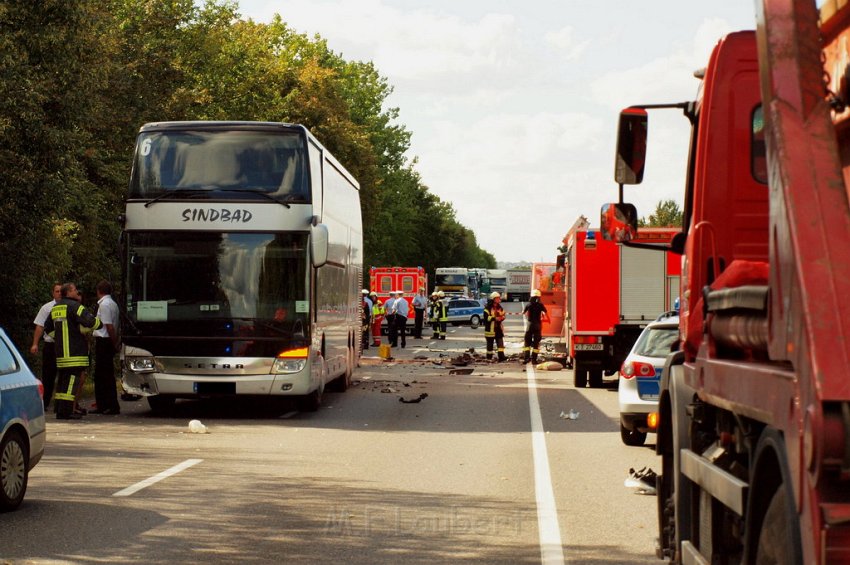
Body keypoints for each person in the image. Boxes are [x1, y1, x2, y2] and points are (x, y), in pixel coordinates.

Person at [43, 282, 102, 420]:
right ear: (69, 292)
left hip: (60, 354)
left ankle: (59, 410)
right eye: (75, 289)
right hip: (75, 353)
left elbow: (47, 327)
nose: (77, 292)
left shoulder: (56, 308)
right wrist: (100, 323)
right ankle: (67, 411)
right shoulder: (75, 306)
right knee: (70, 384)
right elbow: (90, 322)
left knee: (62, 383)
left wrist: (58, 338)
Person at [30, 282, 62, 409]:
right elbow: (39, 326)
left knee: (63, 375)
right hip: (50, 345)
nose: (59, 293)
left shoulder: (69, 306)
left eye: (61, 291)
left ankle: (60, 404)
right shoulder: (46, 308)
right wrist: (35, 344)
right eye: (57, 291)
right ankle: (45, 402)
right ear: (53, 293)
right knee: (48, 375)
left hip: (64, 346)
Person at [92, 280, 121, 414]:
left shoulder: (104, 305)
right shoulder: (113, 304)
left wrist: (114, 342)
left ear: (99, 291)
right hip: (108, 340)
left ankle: (108, 405)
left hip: (104, 340)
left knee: (103, 375)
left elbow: (108, 326)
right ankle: (105, 404)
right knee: (105, 374)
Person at [522, 289, 549, 364]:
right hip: (537, 325)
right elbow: (545, 313)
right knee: (536, 343)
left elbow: (523, 313)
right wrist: (547, 319)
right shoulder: (540, 305)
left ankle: (526, 358)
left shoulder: (528, 304)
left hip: (529, 325)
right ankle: (534, 359)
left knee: (527, 342)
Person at [483, 291, 507, 361]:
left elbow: (503, 314)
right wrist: (494, 318)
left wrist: (502, 317)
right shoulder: (487, 308)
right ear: (493, 299)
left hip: (498, 328)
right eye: (497, 298)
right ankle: (489, 357)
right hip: (490, 330)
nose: (499, 299)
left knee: (500, 343)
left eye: (499, 298)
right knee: (490, 345)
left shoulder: (499, 307)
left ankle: (501, 357)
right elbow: (486, 318)